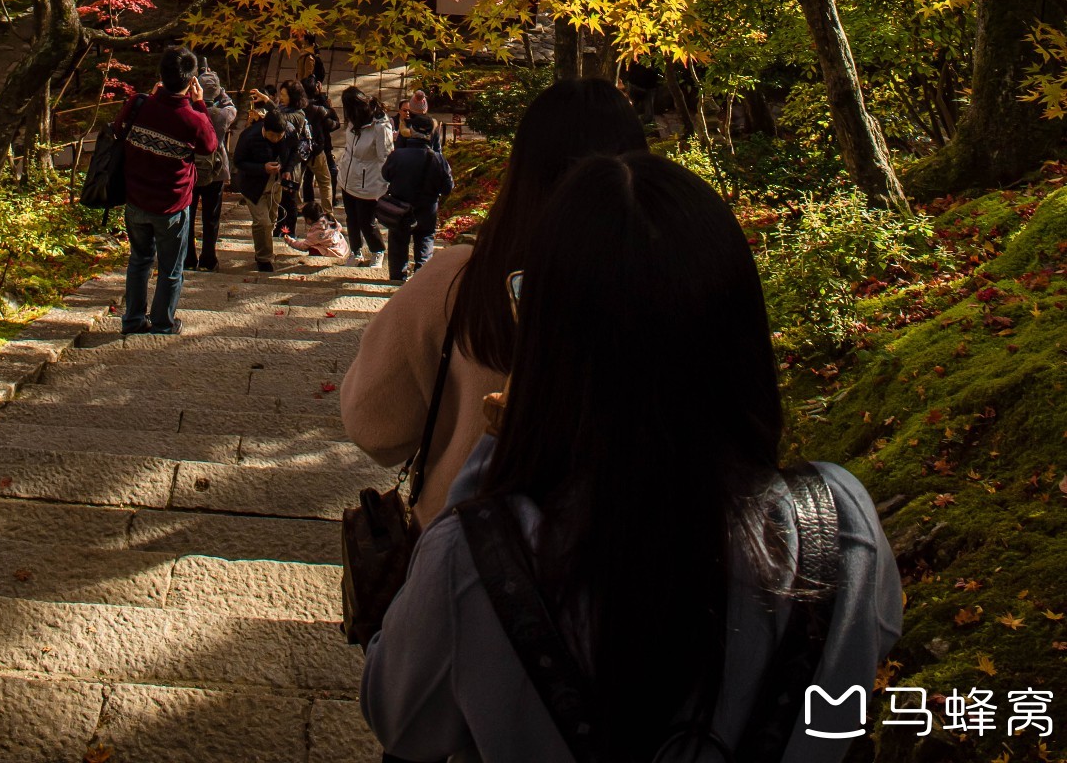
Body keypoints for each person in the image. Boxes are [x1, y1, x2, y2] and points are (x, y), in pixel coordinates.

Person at [361, 151, 903, 763]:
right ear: (740, 329)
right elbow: (861, 672)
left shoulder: (476, 559)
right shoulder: (840, 526)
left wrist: (496, 447)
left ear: (547, 342)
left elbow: (400, 719)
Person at [341, 79, 646, 522]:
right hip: (641, 555)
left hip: (471, 544)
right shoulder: (676, 283)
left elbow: (373, 426)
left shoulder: (460, 283)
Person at [114, 43, 216, 336]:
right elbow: (209, 145)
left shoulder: (139, 104)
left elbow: (120, 128)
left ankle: (133, 319)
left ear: (161, 74)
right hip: (172, 204)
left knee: (139, 260)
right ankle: (162, 322)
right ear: (191, 80)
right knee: (171, 268)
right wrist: (199, 103)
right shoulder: (192, 118)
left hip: (135, 199)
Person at [380, 112, 453, 284]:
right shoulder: (438, 159)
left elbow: (385, 175)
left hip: (399, 206)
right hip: (427, 209)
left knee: (398, 240)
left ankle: (397, 279)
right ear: (431, 134)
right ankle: (421, 279)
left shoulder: (397, 155)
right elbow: (448, 188)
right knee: (425, 239)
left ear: (411, 130)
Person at [186, 57, 237, 270]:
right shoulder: (222, 114)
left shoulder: (189, 112)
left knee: (188, 216)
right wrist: (220, 91)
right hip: (216, 169)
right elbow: (231, 105)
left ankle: (188, 258)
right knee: (211, 217)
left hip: (191, 168)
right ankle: (209, 259)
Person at [233, 106, 295, 271]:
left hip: (275, 185)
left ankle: (263, 247)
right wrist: (262, 168)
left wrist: (288, 170)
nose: (276, 139)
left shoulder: (288, 133)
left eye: (279, 136)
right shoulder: (249, 136)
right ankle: (264, 258)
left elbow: (295, 151)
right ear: (264, 129)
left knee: (272, 219)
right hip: (254, 187)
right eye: (272, 135)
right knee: (262, 222)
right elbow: (238, 162)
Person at [339, 90, 393, 267]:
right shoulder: (354, 119)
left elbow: (384, 155)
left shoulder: (379, 126)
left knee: (366, 221)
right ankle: (355, 251)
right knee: (351, 218)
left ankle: (378, 251)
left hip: (368, 181)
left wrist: (386, 183)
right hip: (347, 176)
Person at [275, 78, 313, 238]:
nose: (281, 97)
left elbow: (281, 121)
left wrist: (289, 167)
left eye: (284, 95)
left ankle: (288, 232)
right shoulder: (281, 109)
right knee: (278, 200)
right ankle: (279, 230)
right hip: (280, 161)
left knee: (288, 201)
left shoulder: (297, 115)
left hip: (292, 164)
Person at [304, 83, 341, 212]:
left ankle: (307, 204)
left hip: (304, 149)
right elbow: (334, 124)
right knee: (328, 179)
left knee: (307, 177)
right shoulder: (319, 109)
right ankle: (329, 207)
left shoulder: (301, 108)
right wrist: (329, 108)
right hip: (320, 148)